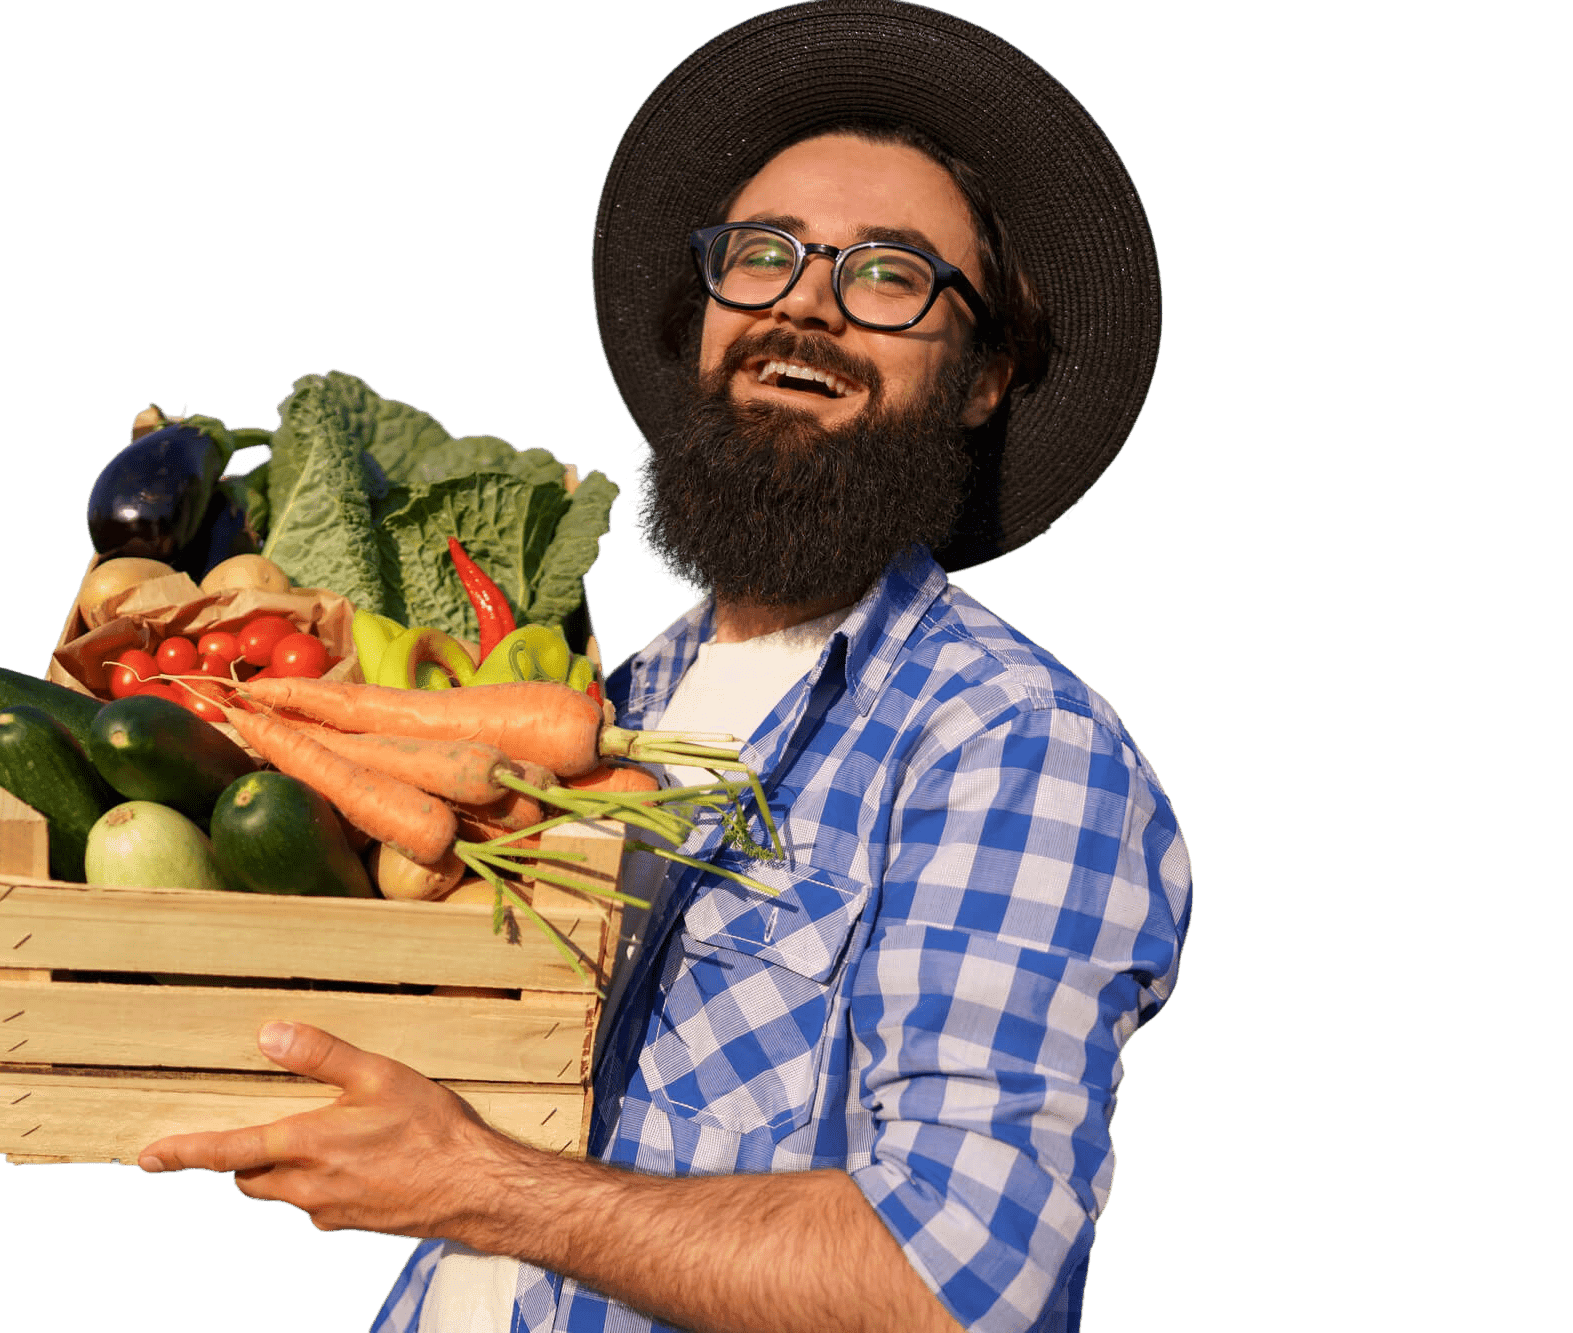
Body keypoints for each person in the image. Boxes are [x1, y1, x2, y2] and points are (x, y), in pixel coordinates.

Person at [135, 4, 1192, 1330]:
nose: (802, 305)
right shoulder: (605, 712)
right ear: (706, 313)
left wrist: (476, 1183)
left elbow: (956, 1283)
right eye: (763, 256)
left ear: (983, 377)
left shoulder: (1012, 748)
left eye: (886, 275)